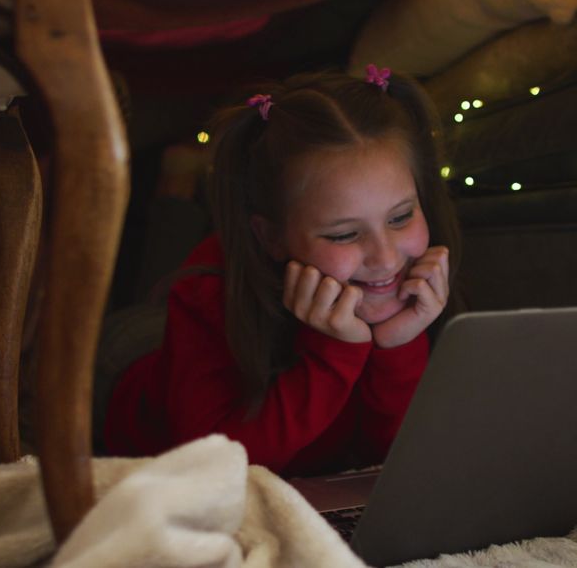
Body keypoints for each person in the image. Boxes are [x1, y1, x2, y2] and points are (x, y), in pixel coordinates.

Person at [103, 65, 462, 477]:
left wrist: (399, 342)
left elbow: (395, 460)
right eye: (344, 234)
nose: (385, 259)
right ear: (272, 238)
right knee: (142, 288)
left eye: (400, 218)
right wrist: (334, 354)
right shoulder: (204, 294)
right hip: (127, 366)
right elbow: (220, 470)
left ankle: (178, 187)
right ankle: (175, 189)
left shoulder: (415, 290)